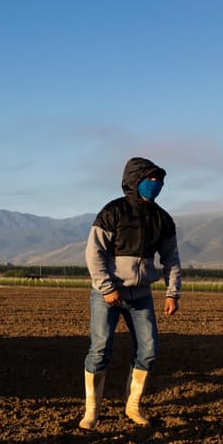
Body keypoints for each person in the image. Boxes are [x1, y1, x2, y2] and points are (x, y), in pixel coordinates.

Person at [80, 157, 183, 429]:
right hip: (108, 296)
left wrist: (172, 293)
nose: (156, 184)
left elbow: (171, 259)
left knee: (149, 349)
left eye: (159, 179)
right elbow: (94, 252)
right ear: (134, 180)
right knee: (100, 349)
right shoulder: (112, 212)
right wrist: (107, 287)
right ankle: (92, 411)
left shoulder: (163, 219)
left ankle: (132, 405)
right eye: (150, 179)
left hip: (141, 296)